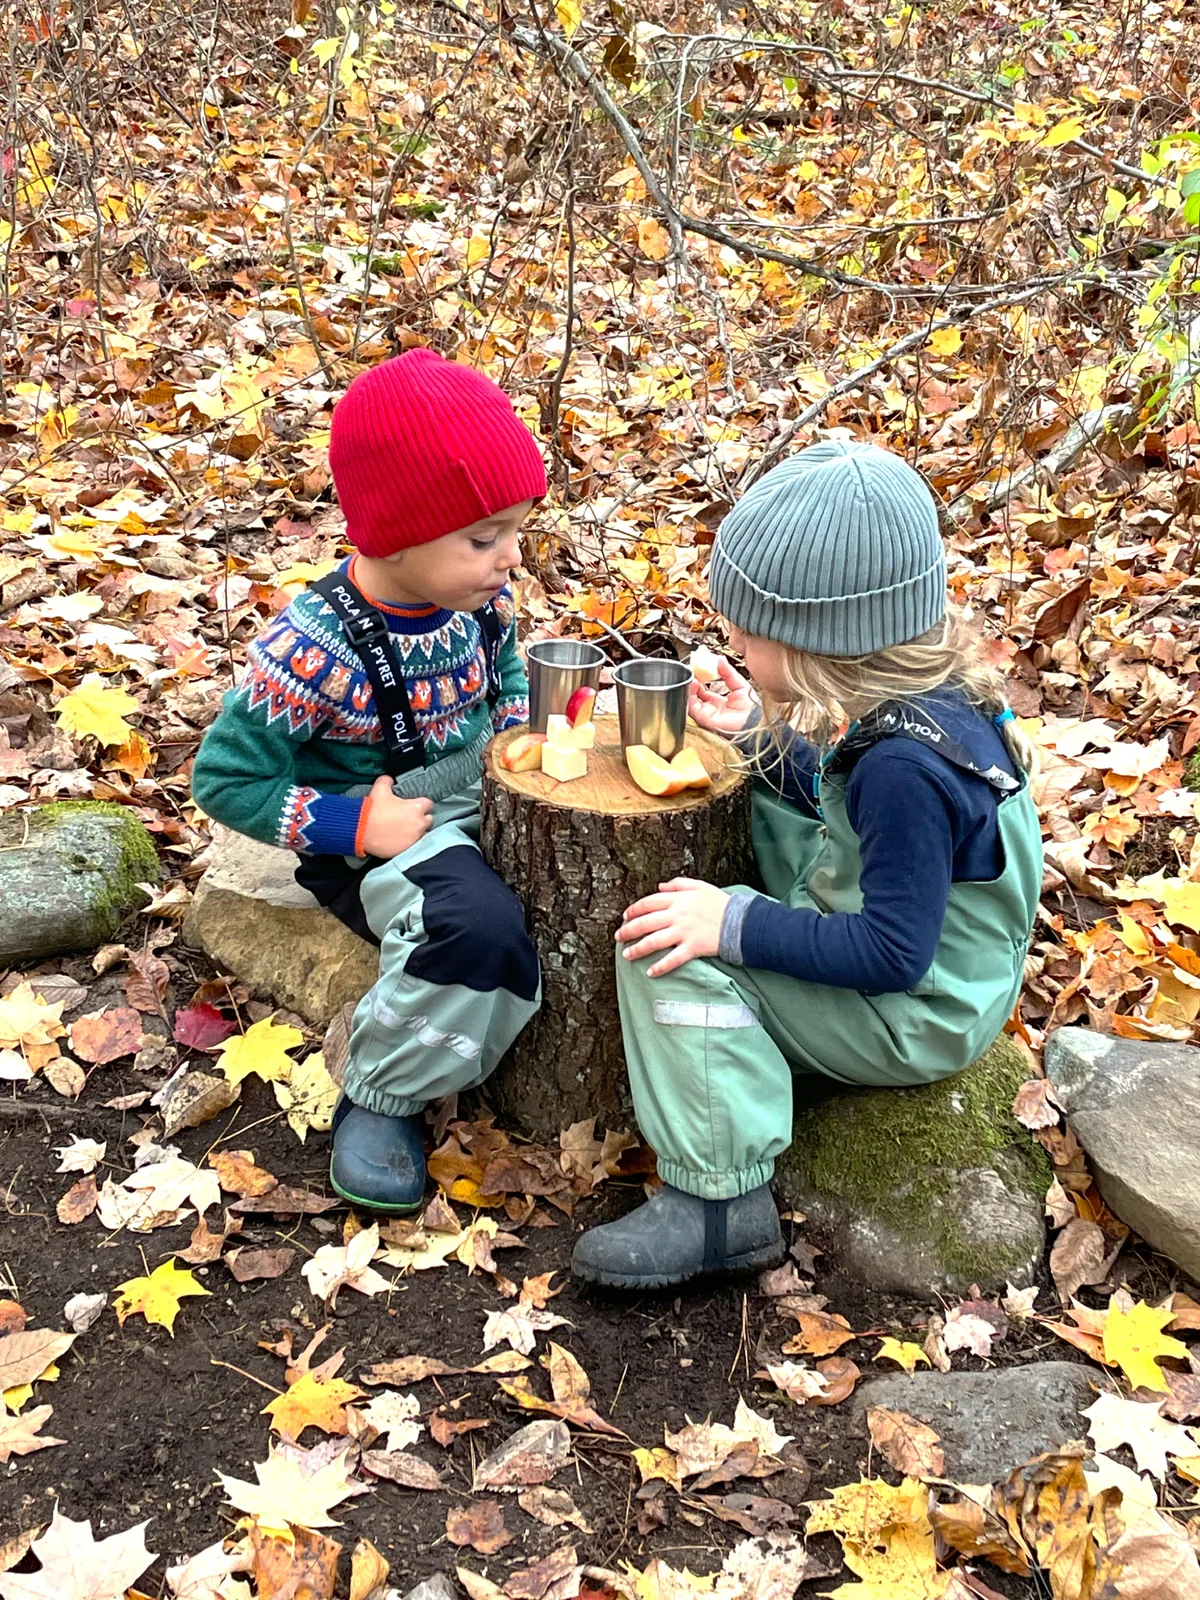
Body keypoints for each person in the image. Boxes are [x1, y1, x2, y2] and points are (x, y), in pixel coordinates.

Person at [571, 439, 1043, 1290]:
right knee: (755, 814)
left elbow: (895, 955)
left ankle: (719, 1203)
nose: (735, 646)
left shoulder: (906, 770)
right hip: (957, 966)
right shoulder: (929, 702)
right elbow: (846, 803)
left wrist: (734, 924)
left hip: (923, 1008)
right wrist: (758, 731)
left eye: (748, 637)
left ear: (815, 642)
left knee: (661, 954)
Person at [192, 349, 546, 1212]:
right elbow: (226, 779)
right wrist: (355, 828)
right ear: (394, 529)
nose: (509, 559)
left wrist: (519, 731)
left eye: (517, 532)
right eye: (484, 537)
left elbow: (502, 675)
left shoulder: (475, 603)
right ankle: (383, 1091)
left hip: (472, 786)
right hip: (389, 828)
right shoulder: (313, 648)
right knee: (479, 932)